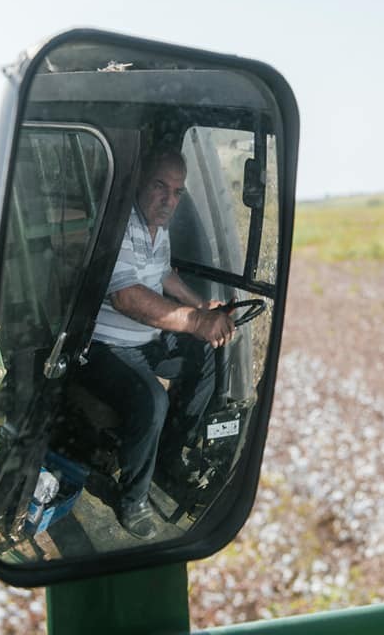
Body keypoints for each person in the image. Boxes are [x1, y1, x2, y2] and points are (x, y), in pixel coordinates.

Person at [81, 149, 236, 539]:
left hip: (147, 339)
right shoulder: (117, 225)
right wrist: (195, 320)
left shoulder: (157, 227)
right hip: (104, 346)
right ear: (139, 181)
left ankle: (169, 454)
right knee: (154, 400)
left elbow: (164, 274)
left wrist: (202, 304)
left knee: (206, 358)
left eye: (178, 192)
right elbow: (126, 297)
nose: (169, 200)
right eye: (160, 187)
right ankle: (131, 500)